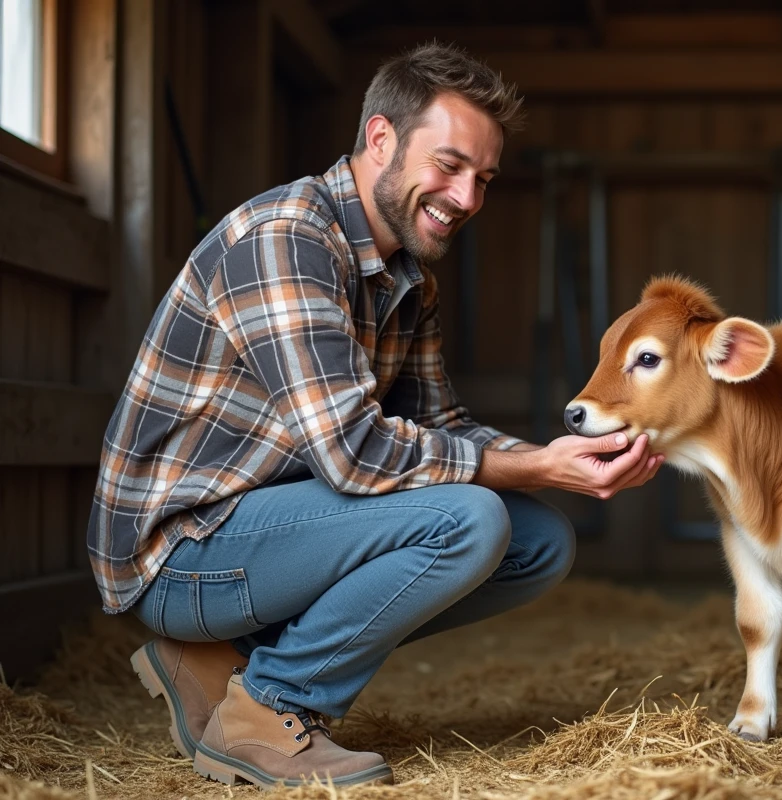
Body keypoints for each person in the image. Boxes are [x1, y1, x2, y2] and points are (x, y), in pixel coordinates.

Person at [88, 41, 663, 790]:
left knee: (538, 540)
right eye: (449, 165)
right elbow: (354, 455)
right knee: (469, 521)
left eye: (483, 179)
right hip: (178, 552)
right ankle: (267, 708)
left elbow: (442, 424)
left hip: (266, 529)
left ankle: (217, 664)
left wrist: (556, 459)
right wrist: (531, 467)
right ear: (381, 139)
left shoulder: (405, 278)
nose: (467, 199)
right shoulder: (288, 239)